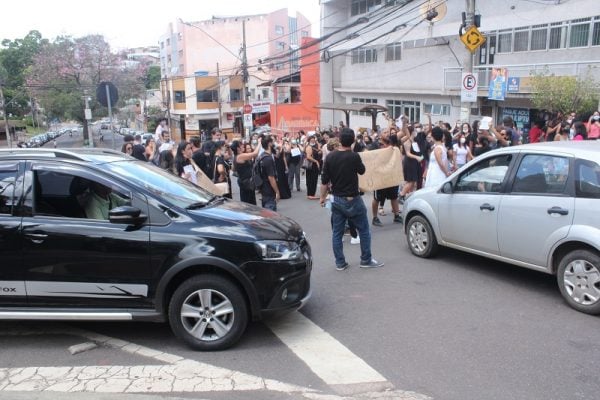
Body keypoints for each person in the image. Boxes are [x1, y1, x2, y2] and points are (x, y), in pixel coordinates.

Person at [319, 128, 384, 271]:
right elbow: (362, 171)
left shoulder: (330, 157)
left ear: (339, 140)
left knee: (337, 232)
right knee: (364, 230)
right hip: (353, 199)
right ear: (353, 140)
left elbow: (324, 181)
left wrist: (322, 197)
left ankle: (340, 263)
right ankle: (365, 260)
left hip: (336, 199)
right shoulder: (354, 156)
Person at [258, 136, 280, 211]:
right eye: (273, 142)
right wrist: (277, 192)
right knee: (270, 215)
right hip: (269, 190)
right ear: (269, 144)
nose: (274, 144)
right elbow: (271, 177)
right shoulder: (268, 159)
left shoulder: (262, 156)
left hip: (264, 188)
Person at [304, 134, 322, 200]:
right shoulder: (309, 147)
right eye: (312, 139)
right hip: (312, 165)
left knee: (313, 179)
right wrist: (316, 161)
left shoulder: (316, 146)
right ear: (309, 140)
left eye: (314, 139)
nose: (313, 140)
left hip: (314, 165)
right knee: (311, 179)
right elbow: (308, 157)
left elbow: (320, 151)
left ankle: (311, 194)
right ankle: (310, 194)